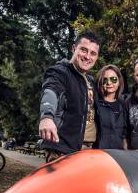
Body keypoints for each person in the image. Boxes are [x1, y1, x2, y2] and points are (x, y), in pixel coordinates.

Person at [38, 32, 100, 162]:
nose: (88, 56)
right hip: (63, 150)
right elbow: (50, 91)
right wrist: (47, 117)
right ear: (73, 49)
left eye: (93, 53)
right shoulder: (60, 72)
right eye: (84, 50)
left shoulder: (91, 81)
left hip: (89, 151)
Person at [94, 64, 125, 149]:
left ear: (119, 81)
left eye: (113, 79)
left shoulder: (125, 105)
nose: (109, 83)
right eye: (105, 80)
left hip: (120, 155)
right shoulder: (95, 104)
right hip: (99, 154)